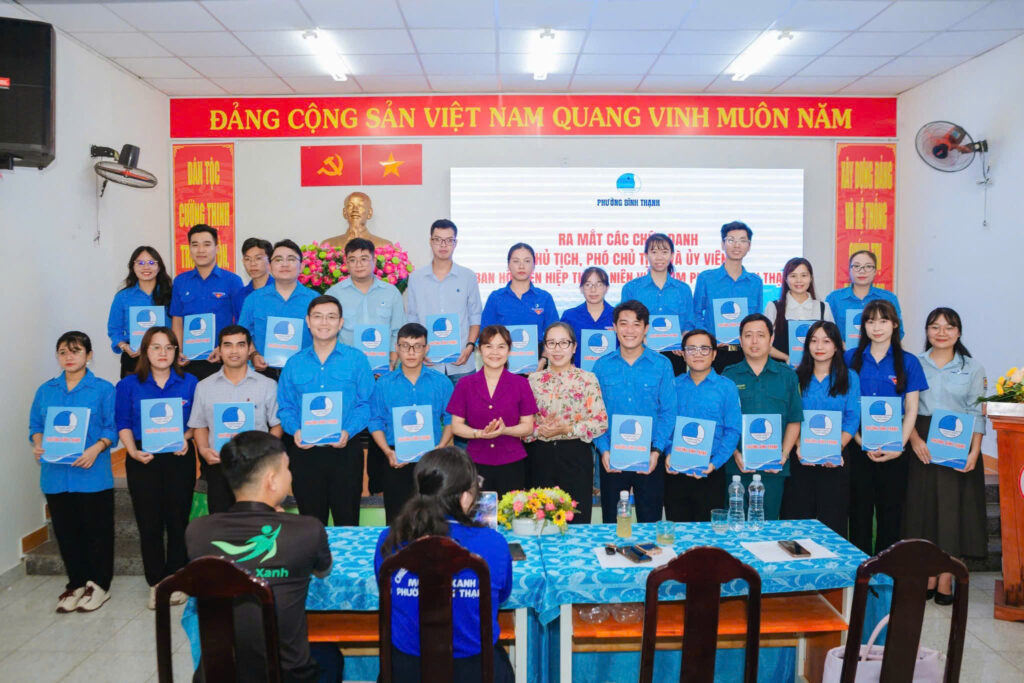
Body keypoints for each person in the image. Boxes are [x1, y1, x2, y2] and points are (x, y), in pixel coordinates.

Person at [186, 431, 336, 683]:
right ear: (272, 480)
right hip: (287, 675)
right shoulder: (307, 530)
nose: (291, 476)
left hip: (219, 674)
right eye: (287, 469)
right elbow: (323, 570)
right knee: (331, 657)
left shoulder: (198, 531)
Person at [374, 447, 514, 683]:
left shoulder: (390, 539)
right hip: (475, 670)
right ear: (465, 496)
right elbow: (502, 596)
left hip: (406, 671)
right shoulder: (494, 543)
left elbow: (384, 588)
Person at [28, 331, 117, 613]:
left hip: (92, 474)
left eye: (76, 351)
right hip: (56, 475)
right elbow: (35, 425)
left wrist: (96, 448)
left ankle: (99, 585)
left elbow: (111, 428)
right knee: (67, 533)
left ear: (89, 355)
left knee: (97, 533)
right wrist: (38, 443)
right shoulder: (46, 390)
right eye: (63, 352)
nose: (69, 357)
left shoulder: (103, 389)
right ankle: (76, 583)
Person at [904, 308, 986, 605]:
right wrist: (914, 439)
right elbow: (906, 406)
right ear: (926, 331)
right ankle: (927, 572)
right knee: (924, 509)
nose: (941, 333)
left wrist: (975, 451)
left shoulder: (972, 367)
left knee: (953, 511)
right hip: (923, 438)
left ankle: (946, 576)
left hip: (958, 440)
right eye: (935, 327)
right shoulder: (914, 363)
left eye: (949, 327)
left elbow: (977, 412)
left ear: (958, 332)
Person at [114, 326, 198, 609]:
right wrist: (132, 451)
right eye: (156, 347)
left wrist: (186, 438)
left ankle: (177, 577)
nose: (163, 353)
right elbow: (123, 422)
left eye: (169, 347)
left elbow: (198, 419)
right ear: (145, 351)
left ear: (176, 352)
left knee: (177, 520)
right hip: (143, 458)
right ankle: (156, 582)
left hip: (178, 455)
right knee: (148, 523)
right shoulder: (128, 385)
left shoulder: (190, 382)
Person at [277, 295, 373, 526]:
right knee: (310, 526)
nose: (324, 322)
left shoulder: (357, 360)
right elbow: (286, 407)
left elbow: (366, 404)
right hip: (305, 453)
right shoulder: (294, 363)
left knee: (347, 523)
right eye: (318, 317)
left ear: (341, 323)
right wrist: (295, 430)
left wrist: (348, 431)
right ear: (308, 321)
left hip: (345, 451)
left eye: (331, 317)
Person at [845, 300, 927, 556]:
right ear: (863, 326)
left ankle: (886, 572)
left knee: (891, 514)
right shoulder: (849, 358)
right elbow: (847, 405)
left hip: (895, 446)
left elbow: (911, 408)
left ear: (894, 325)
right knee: (859, 513)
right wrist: (859, 440)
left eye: (883, 321)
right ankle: (860, 572)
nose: (877, 327)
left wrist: (898, 445)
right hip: (858, 444)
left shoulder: (909, 362)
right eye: (871, 322)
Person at [593, 301, 676, 524]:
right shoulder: (601, 366)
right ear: (614, 327)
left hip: (650, 457)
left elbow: (669, 413)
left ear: (646, 328)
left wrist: (656, 451)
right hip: (612, 457)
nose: (629, 330)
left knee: (650, 524)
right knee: (612, 525)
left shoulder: (662, 365)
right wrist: (604, 450)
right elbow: (595, 414)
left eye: (636, 324)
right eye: (623, 323)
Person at [187, 325, 283, 514]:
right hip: (219, 466)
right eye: (228, 345)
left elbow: (277, 424)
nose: (234, 351)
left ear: (249, 349)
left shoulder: (268, 385)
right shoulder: (204, 387)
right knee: (222, 523)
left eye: (240, 345)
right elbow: (199, 425)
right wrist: (204, 450)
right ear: (219, 350)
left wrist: (265, 452)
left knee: (257, 523)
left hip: (256, 468)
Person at [369, 323, 455, 522]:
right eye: (405, 346)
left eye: (417, 346)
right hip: (396, 460)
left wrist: (440, 447)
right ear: (397, 348)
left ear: (426, 349)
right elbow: (375, 421)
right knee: (397, 522)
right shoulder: (383, 384)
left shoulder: (441, 382)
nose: (411, 352)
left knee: (433, 522)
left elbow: (451, 418)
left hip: (431, 460)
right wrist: (387, 452)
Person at [780, 321, 860, 537]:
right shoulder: (795, 376)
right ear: (807, 345)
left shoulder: (850, 377)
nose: (819, 346)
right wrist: (798, 446)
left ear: (836, 346)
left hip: (835, 459)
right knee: (798, 520)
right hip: (801, 457)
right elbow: (792, 416)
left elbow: (852, 418)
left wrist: (835, 448)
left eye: (826, 341)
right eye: (814, 341)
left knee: (832, 521)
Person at [524, 322, 608, 524]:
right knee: (542, 521)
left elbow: (600, 422)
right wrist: (538, 430)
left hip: (576, 457)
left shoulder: (587, 379)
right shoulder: (533, 381)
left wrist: (568, 429)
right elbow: (522, 425)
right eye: (551, 343)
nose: (557, 349)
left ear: (574, 347)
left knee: (577, 519)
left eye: (564, 343)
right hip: (540, 456)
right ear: (545, 348)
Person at [721, 313, 803, 521]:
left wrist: (784, 455)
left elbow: (794, 420)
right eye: (748, 335)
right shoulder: (728, 376)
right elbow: (722, 422)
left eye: (761, 335)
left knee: (768, 525)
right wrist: (735, 453)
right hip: (737, 466)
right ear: (740, 340)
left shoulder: (787, 375)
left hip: (774, 469)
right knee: (736, 524)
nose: (754, 341)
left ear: (771, 339)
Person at [447, 326, 537, 496]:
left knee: (511, 512)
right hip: (476, 463)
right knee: (477, 512)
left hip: (512, 463)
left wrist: (505, 430)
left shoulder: (521, 384)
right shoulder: (465, 384)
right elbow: (456, 426)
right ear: (479, 350)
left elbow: (528, 426)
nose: (495, 352)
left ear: (509, 350)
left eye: (501, 346)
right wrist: (479, 434)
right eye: (489, 346)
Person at [664, 329, 742, 523]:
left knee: (708, 535)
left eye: (704, 349)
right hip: (676, 471)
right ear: (683, 354)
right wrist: (668, 453)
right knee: (678, 533)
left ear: (714, 354)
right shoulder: (672, 385)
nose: (698, 354)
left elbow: (733, 431)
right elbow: (664, 424)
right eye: (691, 349)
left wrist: (715, 463)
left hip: (711, 472)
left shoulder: (727, 387)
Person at [405, 219, 483, 385]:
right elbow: (412, 318)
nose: (443, 245)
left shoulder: (468, 276)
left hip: (462, 363)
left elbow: (475, 316)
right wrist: (418, 349)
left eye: (449, 240)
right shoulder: (416, 278)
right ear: (430, 242)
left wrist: (470, 346)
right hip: (428, 363)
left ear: (455, 243)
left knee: (465, 403)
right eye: (438, 239)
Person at [169, 224, 244, 380]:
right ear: (189, 249)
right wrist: (179, 350)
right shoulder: (180, 281)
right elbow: (177, 319)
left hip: (222, 359)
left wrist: (224, 349)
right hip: (188, 360)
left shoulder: (233, 281)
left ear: (217, 248)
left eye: (207, 244)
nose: (201, 250)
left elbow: (240, 320)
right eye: (195, 245)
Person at [238, 239, 318, 378]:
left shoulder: (315, 300)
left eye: (291, 259)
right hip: (263, 374)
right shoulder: (254, 299)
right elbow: (243, 334)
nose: (284, 264)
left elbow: (325, 336)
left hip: (304, 373)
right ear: (269, 266)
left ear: (301, 266)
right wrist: (253, 354)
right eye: (278, 259)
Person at [693, 221, 764, 373]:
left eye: (742, 240)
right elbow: (696, 314)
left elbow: (758, 319)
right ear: (722, 244)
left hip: (746, 354)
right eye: (731, 240)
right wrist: (708, 339)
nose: (736, 245)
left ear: (749, 246)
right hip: (714, 353)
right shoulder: (706, 278)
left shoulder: (755, 282)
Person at [325, 237, 405, 369]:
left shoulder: (391, 293)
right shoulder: (333, 294)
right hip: (346, 366)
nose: (358, 264)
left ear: (374, 261)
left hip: (383, 367)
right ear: (346, 263)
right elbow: (327, 332)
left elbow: (399, 331)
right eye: (352, 260)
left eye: (364, 259)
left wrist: (391, 362)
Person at [621, 233, 695, 376]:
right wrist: (641, 339)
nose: (659, 257)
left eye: (664, 252)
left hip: (675, 355)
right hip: (640, 353)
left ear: (672, 255)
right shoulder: (632, 288)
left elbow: (689, 324)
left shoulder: (683, 289)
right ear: (646, 255)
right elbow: (624, 322)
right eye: (654, 252)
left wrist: (682, 341)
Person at [107, 245, 173, 378]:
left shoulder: (171, 294)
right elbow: (114, 330)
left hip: (165, 357)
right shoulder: (123, 297)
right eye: (140, 263)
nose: (146, 267)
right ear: (133, 267)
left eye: (151, 263)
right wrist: (124, 347)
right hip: (134, 359)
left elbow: (179, 325)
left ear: (159, 267)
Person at [825, 250, 904, 345]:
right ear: (849, 270)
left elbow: (898, 332)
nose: (862, 271)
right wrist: (841, 346)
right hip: (843, 353)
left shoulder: (889, 298)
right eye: (856, 266)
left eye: (868, 266)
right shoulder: (834, 298)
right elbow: (825, 331)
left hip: (879, 353)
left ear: (875, 271)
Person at [480, 243, 558, 338]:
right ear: (508, 265)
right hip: (503, 348)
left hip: (538, 348)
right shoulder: (496, 298)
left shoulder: (544, 298)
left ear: (534, 265)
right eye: (516, 261)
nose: (521, 266)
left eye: (527, 261)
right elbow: (485, 335)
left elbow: (555, 334)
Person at [765, 257, 833, 365]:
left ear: (811, 278)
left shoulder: (823, 307)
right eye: (793, 276)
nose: (799, 280)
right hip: (782, 369)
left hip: (815, 369)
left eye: (804, 275)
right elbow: (764, 344)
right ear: (785, 279)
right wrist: (786, 358)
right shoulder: (773, 307)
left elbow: (832, 342)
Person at [559, 266, 614, 368]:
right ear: (581, 289)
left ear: (606, 288)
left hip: (611, 374)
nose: (593, 290)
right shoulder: (569, 316)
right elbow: (561, 347)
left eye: (599, 284)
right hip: (577, 374)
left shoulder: (617, 316)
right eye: (588, 285)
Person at [323, 191, 392, 250]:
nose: (355, 210)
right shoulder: (329, 245)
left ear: (370, 213)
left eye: (360, 206)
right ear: (344, 212)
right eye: (350, 206)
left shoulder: (384, 246)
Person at [233, 237, 273, 314]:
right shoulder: (240, 296)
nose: (252, 263)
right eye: (247, 259)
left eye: (258, 258)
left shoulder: (281, 292)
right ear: (243, 262)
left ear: (269, 261)